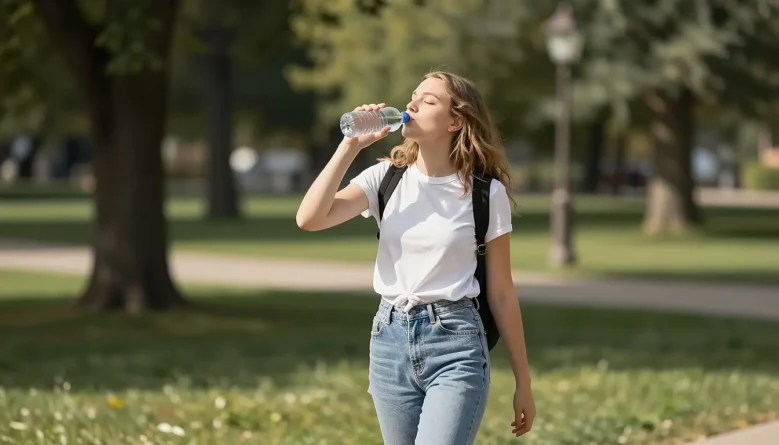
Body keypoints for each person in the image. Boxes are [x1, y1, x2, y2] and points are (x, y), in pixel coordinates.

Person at [295, 71, 535, 444]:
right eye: (413, 96)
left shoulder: (486, 194)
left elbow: (502, 292)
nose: (411, 105)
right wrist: (349, 147)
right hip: (389, 340)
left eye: (428, 100)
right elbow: (309, 219)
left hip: (456, 343)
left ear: (455, 120)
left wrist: (523, 381)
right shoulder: (385, 178)